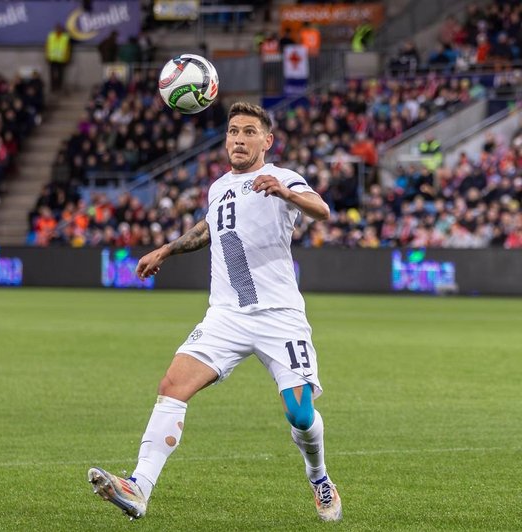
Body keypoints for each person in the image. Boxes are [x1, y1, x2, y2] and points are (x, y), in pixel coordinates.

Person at [87, 102, 342, 521]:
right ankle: (138, 488)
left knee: (299, 413)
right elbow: (208, 229)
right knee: (172, 384)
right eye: (232, 132)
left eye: (248, 132)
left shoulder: (282, 177)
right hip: (226, 315)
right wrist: (166, 250)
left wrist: (284, 192)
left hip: (279, 316)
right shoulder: (219, 187)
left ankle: (319, 478)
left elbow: (322, 210)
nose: (238, 139)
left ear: (267, 140)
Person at [45, 23, 71, 92]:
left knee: (60, 75)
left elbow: (68, 49)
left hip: (61, 59)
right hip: (52, 58)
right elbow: (47, 47)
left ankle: (59, 87)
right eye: (57, 29)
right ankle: (53, 87)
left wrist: (67, 58)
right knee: (52, 74)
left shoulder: (65, 37)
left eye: (59, 29)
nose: (58, 30)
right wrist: (47, 56)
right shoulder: (51, 36)